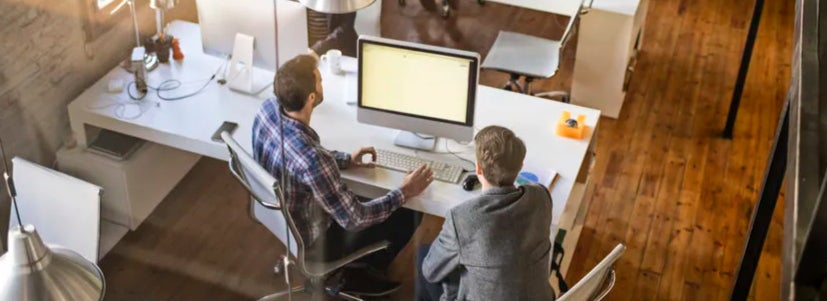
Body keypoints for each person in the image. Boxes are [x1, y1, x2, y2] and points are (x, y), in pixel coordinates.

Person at [252, 54, 434, 295]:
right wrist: (404, 192)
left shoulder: (268, 110)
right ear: (312, 97)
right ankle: (357, 272)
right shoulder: (313, 160)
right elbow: (355, 219)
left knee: (372, 196)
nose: (322, 82)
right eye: (320, 80)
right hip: (315, 243)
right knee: (409, 211)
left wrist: (346, 160)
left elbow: (300, 156)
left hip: (280, 220)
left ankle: (356, 267)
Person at [416, 126, 556, 301]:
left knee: (424, 256)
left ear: (479, 170)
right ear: (520, 166)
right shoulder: (541, 196)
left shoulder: (462, 217)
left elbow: (431, 272)